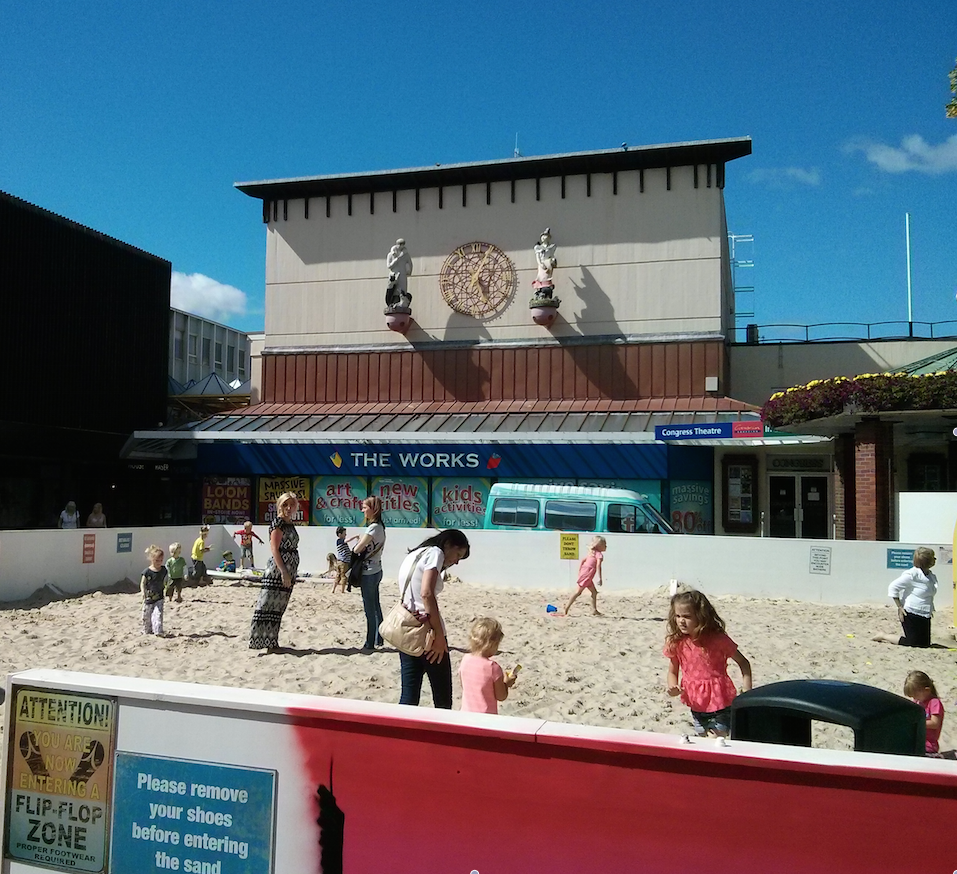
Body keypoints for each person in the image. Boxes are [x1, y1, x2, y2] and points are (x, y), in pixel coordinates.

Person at [396, 528, 471, 709]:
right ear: (447, 544)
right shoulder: (435, 553)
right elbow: (426, 593)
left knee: (409, 697)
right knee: (442, 697)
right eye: (458, 554)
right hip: (428, 630)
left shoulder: (415, 554)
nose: (457, 561)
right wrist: (438, 635)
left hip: (408, 629)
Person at [663, 589, 753, 738]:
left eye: (687, 616)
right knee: (704, 741)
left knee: (716, 741)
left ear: (701, 616)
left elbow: (743, 662)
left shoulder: (718, 639)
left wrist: (747, 689)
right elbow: (673, 671)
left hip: (721, 704)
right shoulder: (677, 642)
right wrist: (673, 686)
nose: (681, 621)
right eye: (678, 616)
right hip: (696, 704)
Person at [249, 492, 300, 652]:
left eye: (291, 504)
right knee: (267, 606)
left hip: (289, 569)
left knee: (278, 608)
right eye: (285, 504)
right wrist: (283, 571)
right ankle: (260, 640)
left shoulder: (289, 523)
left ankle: (272, 641)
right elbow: (274, 549)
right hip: (278, 570)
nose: (289, 508)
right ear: (279, 505)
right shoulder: (278, 523)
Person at [873, 547, 938, 648]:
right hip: (911, 612)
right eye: (933, 558)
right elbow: (893, 587)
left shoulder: (930, 576)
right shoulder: (912, 574)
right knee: (913, 643)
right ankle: (884, 636)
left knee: (925, 644)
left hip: (925, 613)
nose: (935, 560)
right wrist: (900, 607)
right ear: (927, 561)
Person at [459, 617, 518, 714]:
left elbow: (464, 685)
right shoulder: (493, 668)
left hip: (466, 714)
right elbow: (501, 696)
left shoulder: (465, 659)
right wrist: (506, 684)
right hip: (486, 717)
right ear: (492, 644)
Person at [352, 497, 387, 649]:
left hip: (369, 571)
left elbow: (357, 549)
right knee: (376, 606)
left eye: (365, 507)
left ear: (374, 509)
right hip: (377, 569)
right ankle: (379, 637)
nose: (363, 510)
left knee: (369, 609)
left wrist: (358, 543)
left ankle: (369, 642)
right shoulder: (380, 527)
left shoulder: (373, 528)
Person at [904, 670, 945, 757]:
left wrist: (918, 722)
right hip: (917, 740)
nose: (915, 698)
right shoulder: (918, 701)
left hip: (928, 745)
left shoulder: (934, 703)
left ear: (927, 690)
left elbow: (935, 723)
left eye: (916, 695)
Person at [563, 535, 606, 616]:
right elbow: (598, 566)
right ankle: (566, 607)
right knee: (578, 592)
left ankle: (594, 610)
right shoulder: (599, 555)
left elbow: (583, 560)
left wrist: (580, 571)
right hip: (588, 574)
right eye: (604, 544)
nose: (606, 546)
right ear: (599, 546)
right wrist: (600, 578)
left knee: (594, 592)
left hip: (586, 573)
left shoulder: (591, 553)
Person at [141, 545, 168, 636]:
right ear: (152, 559)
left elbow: (166, 579)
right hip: (148, 597)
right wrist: (143, 592)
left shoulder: (164, 570)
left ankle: (158, 631)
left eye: (161, 560)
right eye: (157, 560)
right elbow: (143, 583)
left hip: (159, 597)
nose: (159, 562)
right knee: (146, 616)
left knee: (158, 614)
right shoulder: (147, 572)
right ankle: (147, 630)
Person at [385, 238, 413, 307]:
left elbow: (410, 263)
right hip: (394, 275)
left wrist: (409, 271)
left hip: (402, 275)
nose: (401, 246)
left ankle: (402, 303)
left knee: (402, 290)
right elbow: (389, 266)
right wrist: (396, 260)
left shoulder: (406, 254)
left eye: (403, 244)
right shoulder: (391, 254)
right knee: (393, 289)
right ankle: (392, 303)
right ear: (396, 244)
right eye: (400, 244)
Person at [332, 526, 358, 594]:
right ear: (340, 534)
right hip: (344, 562)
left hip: (339, 561)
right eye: (344, 533)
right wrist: (355, 537)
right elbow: (348, 540)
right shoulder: (340, 541)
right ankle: (342, 590)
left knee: (338, 575)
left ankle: (333, 589)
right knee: (344, 576)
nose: (345, 535)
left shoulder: (339, 542)